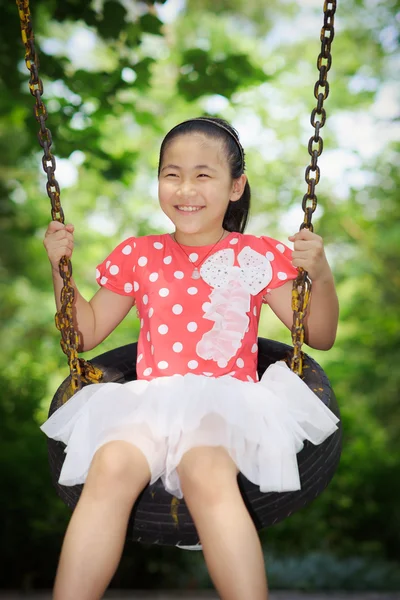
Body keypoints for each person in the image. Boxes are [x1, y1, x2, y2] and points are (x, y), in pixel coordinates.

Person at [41, 117, 340, 600]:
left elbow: (320, 335)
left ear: (235, 186)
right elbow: (84, 332)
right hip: (149, 401)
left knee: (204, 468)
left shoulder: (257, 255)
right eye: (171, 174)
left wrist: (319, 274)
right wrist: (60, 268)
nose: (186, 188)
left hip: (228, 401)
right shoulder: (139, 254)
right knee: (111, 465)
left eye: (203, 175)